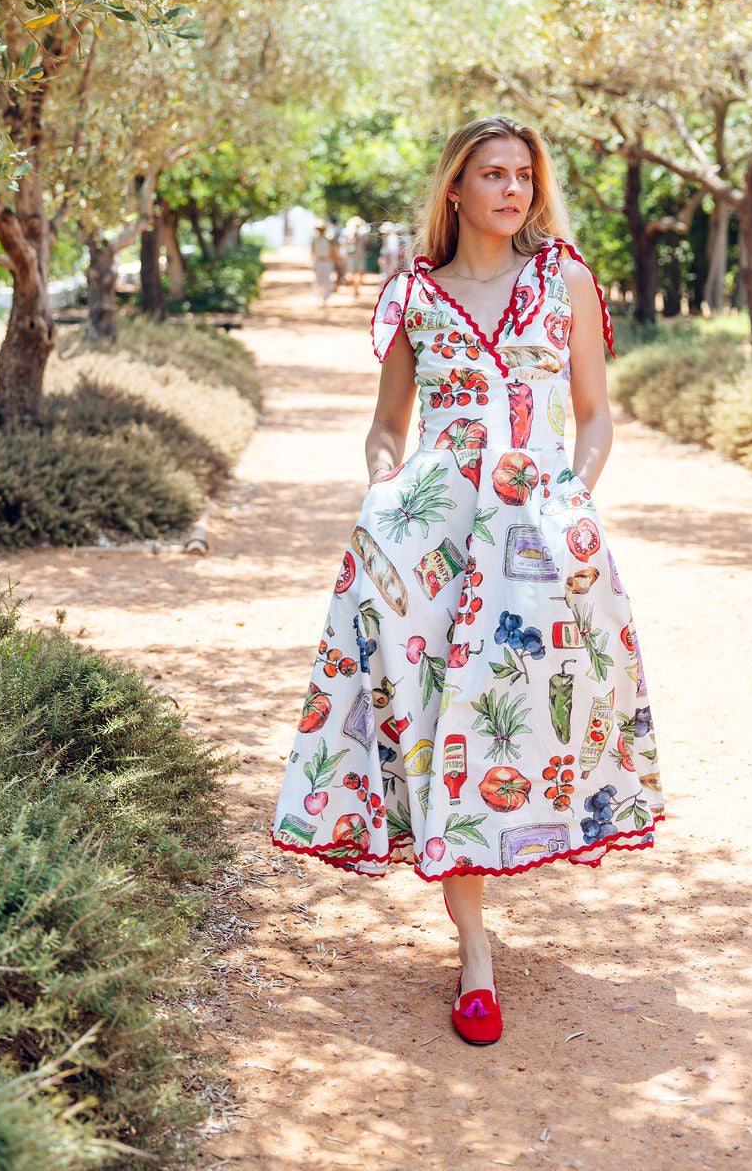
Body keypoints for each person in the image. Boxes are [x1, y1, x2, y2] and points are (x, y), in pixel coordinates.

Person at [272, 117, 664, 1046]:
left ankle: (509, 870)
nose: (513, 189)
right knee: (441, 723)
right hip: (433, 541)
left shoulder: (564, 279)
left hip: (538, 536)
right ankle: (476, 952)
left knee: (526, 715)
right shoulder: (414, 294)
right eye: (493, 174)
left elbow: (596, 415)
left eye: (524, 174)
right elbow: (387, 426)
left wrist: (572, 495)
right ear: (456, 187)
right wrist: (383, 485)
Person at [310, 221, 334, 306]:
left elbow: (332, 251)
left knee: (326, 280)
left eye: (322, 230)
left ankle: (325, 298)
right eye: (319, 230)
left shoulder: (328, 240)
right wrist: (312, 263)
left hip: (327, 261)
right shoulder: (315, 240)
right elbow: (312, 252)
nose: (320, 231)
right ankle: (318, 297)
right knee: (318, 280)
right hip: (318, 261)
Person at [345, 216, 368, 296]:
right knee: (355, 273)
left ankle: (355, 288)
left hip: (356, 255)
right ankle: (355, 288)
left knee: (356, 272)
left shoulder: (361, 232)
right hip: (354, 255)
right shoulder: (350, 232)